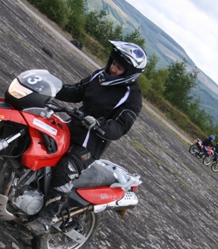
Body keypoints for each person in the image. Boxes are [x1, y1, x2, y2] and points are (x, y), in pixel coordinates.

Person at [26, 41, 147, 235]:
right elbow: (77, 91)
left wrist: (100, 125)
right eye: (113, 63)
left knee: (65, 168)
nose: (114, 69)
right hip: (72, 126)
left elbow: (121, 126)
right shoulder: (100, 75)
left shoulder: (132, 97)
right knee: (36, 138)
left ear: (129, 73)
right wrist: (51, 87)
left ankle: (46, 218)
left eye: (120, 67)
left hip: (90, 143)